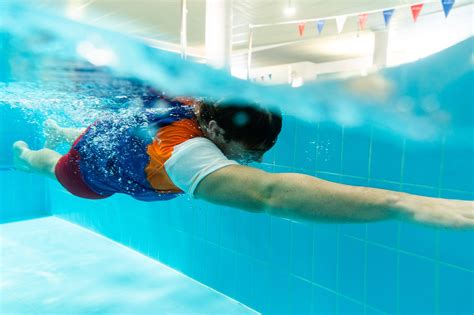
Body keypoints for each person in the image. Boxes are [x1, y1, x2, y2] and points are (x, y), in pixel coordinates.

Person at [12, 94, 473, 228]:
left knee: (98, 135)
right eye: (244, 153)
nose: (249, 162)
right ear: (213, 133)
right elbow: (270, 195)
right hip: (91, 173)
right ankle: (33, 151)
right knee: (51, 165)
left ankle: (67, 132)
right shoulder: (184, 153)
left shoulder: (199, 100)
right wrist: (402, 205)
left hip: (112, 135)